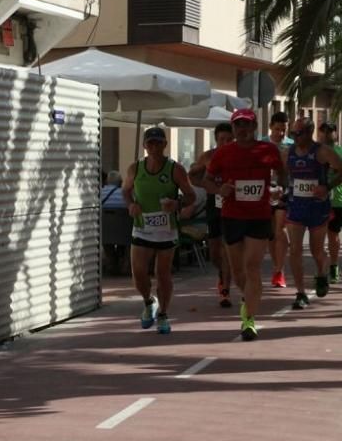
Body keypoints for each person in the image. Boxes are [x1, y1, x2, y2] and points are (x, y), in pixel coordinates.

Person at [204, 108, 289, 341]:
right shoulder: (224, 153)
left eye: (247, 125)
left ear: (254, 128)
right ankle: (247, 299)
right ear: (233, 129)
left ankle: (249, 320)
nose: (242, 129)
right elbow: (207, 180)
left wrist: (279, 188)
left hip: (258, 216)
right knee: (238, 270)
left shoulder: (268, 150)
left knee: (252, 267)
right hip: (232, 216)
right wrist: (219, 189)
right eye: (238, 125)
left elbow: (282, 175)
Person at [122, 127, 196, 334]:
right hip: (142, 227)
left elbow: (191, 195)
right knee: (138, 273)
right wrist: (130, 205)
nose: (154, 147)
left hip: (166, 229)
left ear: (164, 145)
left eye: (158, 143)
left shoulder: (175, 169)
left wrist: (177, 203)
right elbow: (126, 190)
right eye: (150, 143)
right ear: (145, 146)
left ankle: (163, 313)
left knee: (162, 274)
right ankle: (148, 302)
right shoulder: (135, 168)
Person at [284, 117, 342, 308]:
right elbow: (280, 174)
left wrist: (327, 186)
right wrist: (279, 189)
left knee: (317, 251)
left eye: (298, 133)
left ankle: (321, 274)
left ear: (309, 132)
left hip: (318, 207)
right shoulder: (288, 153)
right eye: (292, 133)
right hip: (296, 207)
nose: (294, 137)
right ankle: (300, 293)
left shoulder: (323, 151)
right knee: (295, 250)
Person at [189, 122, 234, 307]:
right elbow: (192, 176)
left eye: (229, 139)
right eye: (222, 139)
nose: (225, 142)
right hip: (213, 205)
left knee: (226, 250)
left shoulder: (237, 156)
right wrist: (210, 187)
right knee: (215, 252)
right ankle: (221, 275)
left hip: (233, 206)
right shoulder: (208, 157)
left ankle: (225, 290)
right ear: (216, 139)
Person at [263, 111, 293, 288]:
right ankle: (276, 267)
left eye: (283, 130)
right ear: (270, 128)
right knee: (271, 234)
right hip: (265, 192)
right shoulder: (262, 144)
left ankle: (279, 271)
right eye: (277, 129)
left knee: (280, 230)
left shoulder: (291, 145)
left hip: (285, 192)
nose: (280, 133)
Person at [319, 122, 342, 282]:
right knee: (319, 237)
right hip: (320, 201)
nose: (327, 134)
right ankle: (322, 270)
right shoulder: (316, 153)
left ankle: (334, 265)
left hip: (338, 201)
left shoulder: (340, 152)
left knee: (333, 236)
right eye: (324, 131)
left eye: (330, 131)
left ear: (336, 134)